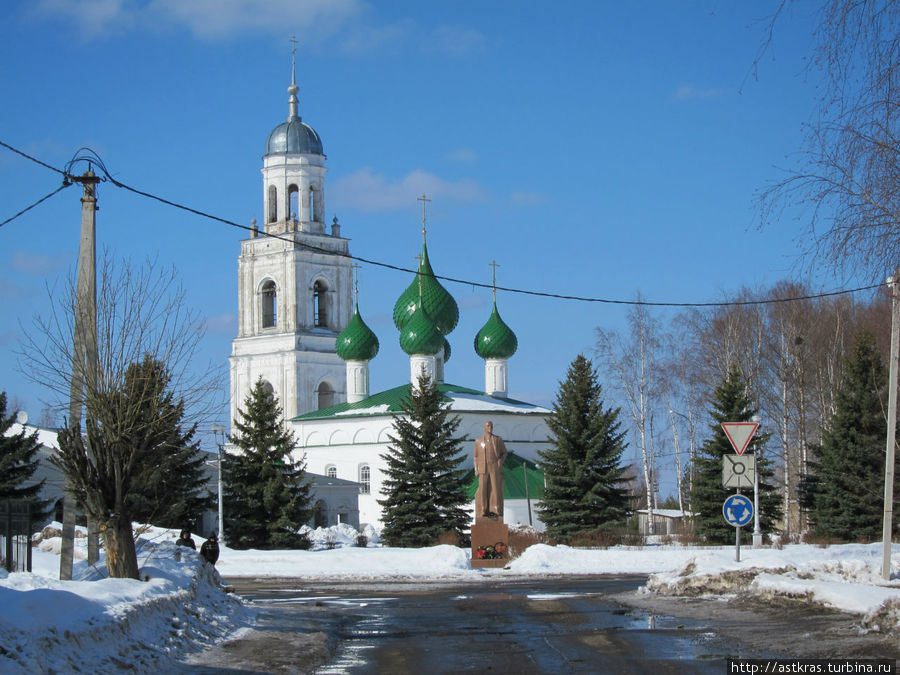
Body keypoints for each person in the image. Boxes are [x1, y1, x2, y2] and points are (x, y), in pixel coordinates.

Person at [473, 420, 508, 520]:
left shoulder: (498, 439)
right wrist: (476, 469)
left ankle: (496, 509)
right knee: (482, 489)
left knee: (495, 488)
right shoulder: (478, 441)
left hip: (494, 466)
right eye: (488, 426)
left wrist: (500, 462)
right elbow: (475, 456)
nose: (490, 428)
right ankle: (483, 509)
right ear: (484, 427)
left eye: (491, 426)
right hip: (482, 468)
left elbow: (505, 453)